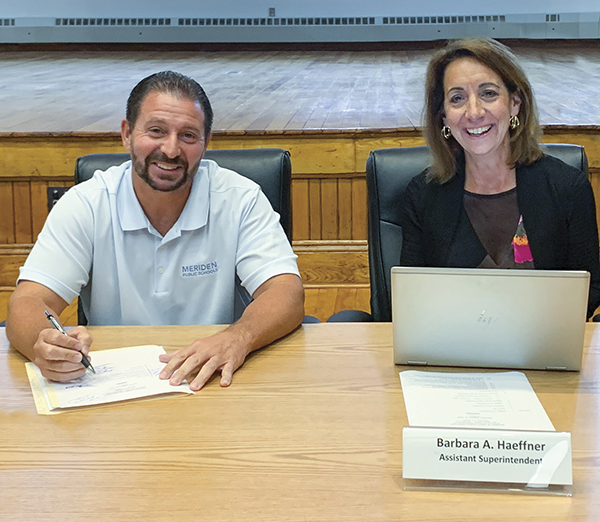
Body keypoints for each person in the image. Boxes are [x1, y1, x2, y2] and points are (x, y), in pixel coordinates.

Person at [6, 70, 305, 389]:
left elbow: (286, 292)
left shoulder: (240, 199)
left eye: (188, 135)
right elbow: (28, 302)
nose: (172, 150)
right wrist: (45, 344)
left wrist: (238, 337)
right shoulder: (87, 203)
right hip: (115, 389)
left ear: (206, 143)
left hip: (215, 379)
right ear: (126, 133)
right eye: (156, 131)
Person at [400, 38, 600, 318]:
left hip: (540, 350)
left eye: (489, 94)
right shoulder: (422, 195)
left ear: (515, 103)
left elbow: (588, 290)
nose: (474, 112)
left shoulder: (568, 188)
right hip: (452, 354)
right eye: (457, 98)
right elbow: (410, 301)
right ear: (444, 117)